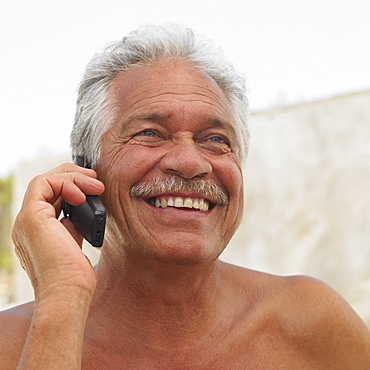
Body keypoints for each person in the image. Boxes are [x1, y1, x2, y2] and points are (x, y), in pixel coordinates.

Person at [1, 24, 369, 369]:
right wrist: (62, 296)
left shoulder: (310, 322)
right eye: (150, 133)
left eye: (215, 140)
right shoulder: (15, 343)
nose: (190, 163)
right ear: (85, 170)